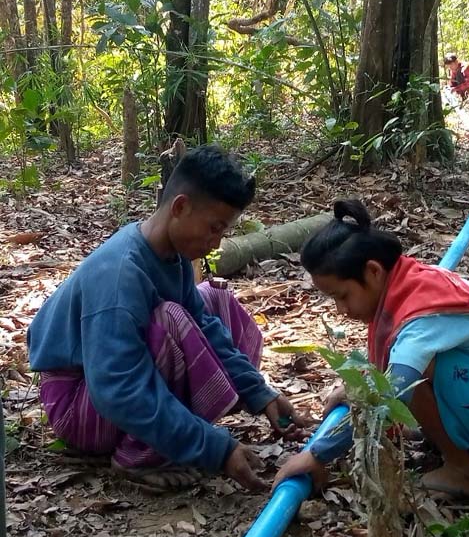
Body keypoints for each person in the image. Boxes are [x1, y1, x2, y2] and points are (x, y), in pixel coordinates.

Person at [27, 145, 306, 490]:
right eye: (214, 228)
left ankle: (174, 434)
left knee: (215, 301)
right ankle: (138, 456)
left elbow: (206, 325)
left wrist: (260, 394)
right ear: (180, 207)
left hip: (107, 390)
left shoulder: (171, 257)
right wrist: (217, 450)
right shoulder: (120, 274)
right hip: (79, 405)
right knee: (171, 320)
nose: (216, 243)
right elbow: (117, 390)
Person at [272, 200, 469, 498]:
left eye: (342, 295)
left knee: (419, 369)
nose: (341, 309)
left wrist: (318, 454)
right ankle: (454, 444)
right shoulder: (411, 283)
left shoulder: (422, 315)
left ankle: (464, 471)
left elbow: (393, 387)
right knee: (413, 365)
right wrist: (358, 391)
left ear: (373, 272)